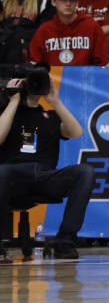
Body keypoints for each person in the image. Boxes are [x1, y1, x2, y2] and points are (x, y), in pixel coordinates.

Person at [0, 68, 94, 258]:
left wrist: (55, 102)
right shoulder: (7, 113)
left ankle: (65, 241)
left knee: (85, 172)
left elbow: (76, 132)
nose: (33, 86)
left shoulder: (50, 116)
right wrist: (15, 100)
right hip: (11, 177)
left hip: (44, 177)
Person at [29, 0, 105, 66]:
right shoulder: (44, 30)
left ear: (77, 3)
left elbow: (100, 62)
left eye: (72, 0)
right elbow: (35, 62)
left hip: (84, 78)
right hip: (52, 78)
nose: (68, 4)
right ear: (53, 2)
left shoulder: (92, 26)